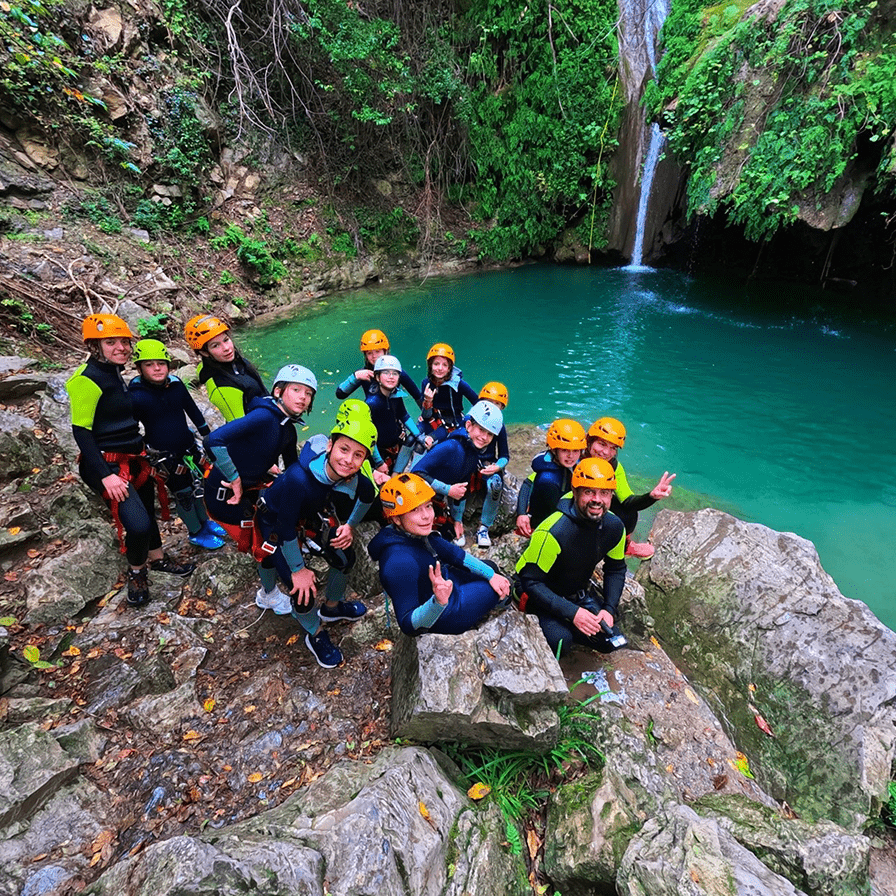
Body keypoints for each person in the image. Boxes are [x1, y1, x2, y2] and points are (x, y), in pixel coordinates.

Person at [66, 314, 194, 607]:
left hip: (134, 456)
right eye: (111, 342)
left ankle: (157, 558)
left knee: (147, 511)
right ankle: (137, 571)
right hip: (107, 464)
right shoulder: (85, 380)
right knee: (136, 524)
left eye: (124, 342)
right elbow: (81, 433)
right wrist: (105, 476)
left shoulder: (113, 373)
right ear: (95, 346)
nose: (121, 348)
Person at [253, 416, 378, 667]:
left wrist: (349, 526)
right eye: (344, 449)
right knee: (303, 590)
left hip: (307, 519)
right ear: (330, 445)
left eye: (358, 455)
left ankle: (332, 607)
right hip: (275, 522)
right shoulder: (300, 479)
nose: (348, 460)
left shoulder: (351, 477)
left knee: (344, 557)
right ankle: (314, 632)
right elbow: (284, 528)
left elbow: (368, 495)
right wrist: (298, 570)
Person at [204, 364, 314, 609]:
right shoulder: (264, 416)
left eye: (308, 394)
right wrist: (234, 477)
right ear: (278, 391)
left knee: (269, 535)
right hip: (226, 495)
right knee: (266, 542)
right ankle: (270, 594)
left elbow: (293, 472)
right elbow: (212, 440)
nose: (303, 397)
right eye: (296, 390)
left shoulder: (287, 429)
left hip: (249, 490)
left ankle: (269, 591)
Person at [368, 473, 511, 635]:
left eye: (428, 506)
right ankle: (497, 602)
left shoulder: (413, 533)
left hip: (446, 582)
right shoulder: (399, 563)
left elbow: (455, 554)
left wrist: (491, 575)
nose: (426, 516)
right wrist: (438, 601)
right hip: (443, 612)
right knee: (495, 589)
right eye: (415, 510)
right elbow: (408, 624)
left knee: (491, 569)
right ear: (396, 519)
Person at [514, 457, 628, 657]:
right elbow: (530, 581)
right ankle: (562, 626)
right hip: (534, 591)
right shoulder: (553, 531)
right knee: (561, 643)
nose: (597, 500)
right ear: (575, 492)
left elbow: (616, 568)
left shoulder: (614, 527)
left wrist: (608, 609)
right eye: (589, 491)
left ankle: (572, 622)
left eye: (604, 493)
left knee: (610, 641)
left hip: (575, 591)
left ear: (612, 496)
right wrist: (574, 613)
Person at [128, 339, 226, 550]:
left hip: (188, 447)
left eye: (161, 363)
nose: (157, 368)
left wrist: (207, 438)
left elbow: (193, 411)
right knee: (183, 495)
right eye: (149, 364)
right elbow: (132, 429)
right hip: (165, 457)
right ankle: (195, 532)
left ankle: (205, 522)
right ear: (139, 368)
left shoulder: (176, 385)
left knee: (199, 486)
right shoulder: (136, 396)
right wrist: (146, 453)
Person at [412, 401, 503, 547]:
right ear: (468, 426)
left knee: (449, 534)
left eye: (490, 434)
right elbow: (415, 473)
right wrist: (448, 490)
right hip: (417, 497)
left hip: (435, 498)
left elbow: (462, 489)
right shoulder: (450, 447)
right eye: (481, 430)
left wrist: (458, 521)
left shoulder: (473, 455)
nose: (485, 437)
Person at [586, 417, 676, 559]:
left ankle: (624, 546)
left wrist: (651, 496)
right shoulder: (573, 457)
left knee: (628, 512)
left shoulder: (614, 467)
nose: (606, 452)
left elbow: (628, 500)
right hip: (572, 506)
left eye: (613, 448)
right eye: (602, 444)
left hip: (590, 505)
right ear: (589, 441)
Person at [185, 314, 266, 422]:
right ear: (204, 352)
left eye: (226, 340)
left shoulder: (235, 362)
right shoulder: (222, 386)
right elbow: (241, 429)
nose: (226, 348)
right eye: (215, 345)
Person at [515, 419, 586, 536]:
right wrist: (521, 513)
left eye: (575, 450)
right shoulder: (546, 473)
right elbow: (528, 484)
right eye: (564, 450)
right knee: (548, 481)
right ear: (554, 449)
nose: (571, 456)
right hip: (544, 517)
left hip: (565, 506)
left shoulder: (578, 463)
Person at [365, 355, 428, 475]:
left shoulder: (395, 396)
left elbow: (404, 415)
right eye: (386, 373)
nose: (391, 377)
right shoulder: (372, 403)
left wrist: (419, 436)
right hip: (378, 452)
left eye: (395, 374)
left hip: (395, 445)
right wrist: (378, 462)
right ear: (377, 377)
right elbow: (369, 435)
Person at [470, 382, 510, 548]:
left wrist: (497, 467)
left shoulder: (499, 427)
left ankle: (484, 527)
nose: (492, 408)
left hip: (487, 463)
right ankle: (455, 520)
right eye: (488, 402)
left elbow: (504, 455)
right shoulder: (470, 420)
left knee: (495, 484)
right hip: (468, 459)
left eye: (497, 405)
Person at [335, 329, 422, 405]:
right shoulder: (364, 374)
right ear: (365, 356)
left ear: (385, 351)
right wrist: (355, 377)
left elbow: (417, 396)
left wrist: (427, 417)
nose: (374, 356)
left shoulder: (397, 372)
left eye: (377, 351)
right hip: (374, 418)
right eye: (369, 353)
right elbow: (340, 394)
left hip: (398, 418)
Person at [419, 343, 478, 446]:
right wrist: (427, 401)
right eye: (436, 364)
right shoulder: (426, 383)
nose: (440, 368)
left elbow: (477, 402)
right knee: (411, 438)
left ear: (449, 368)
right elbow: (426, 415)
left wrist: (469, 419)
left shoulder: (458, 384)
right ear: (430, 366)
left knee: (428, 442)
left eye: (444, 365)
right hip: (432, 420)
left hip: (453, 422)